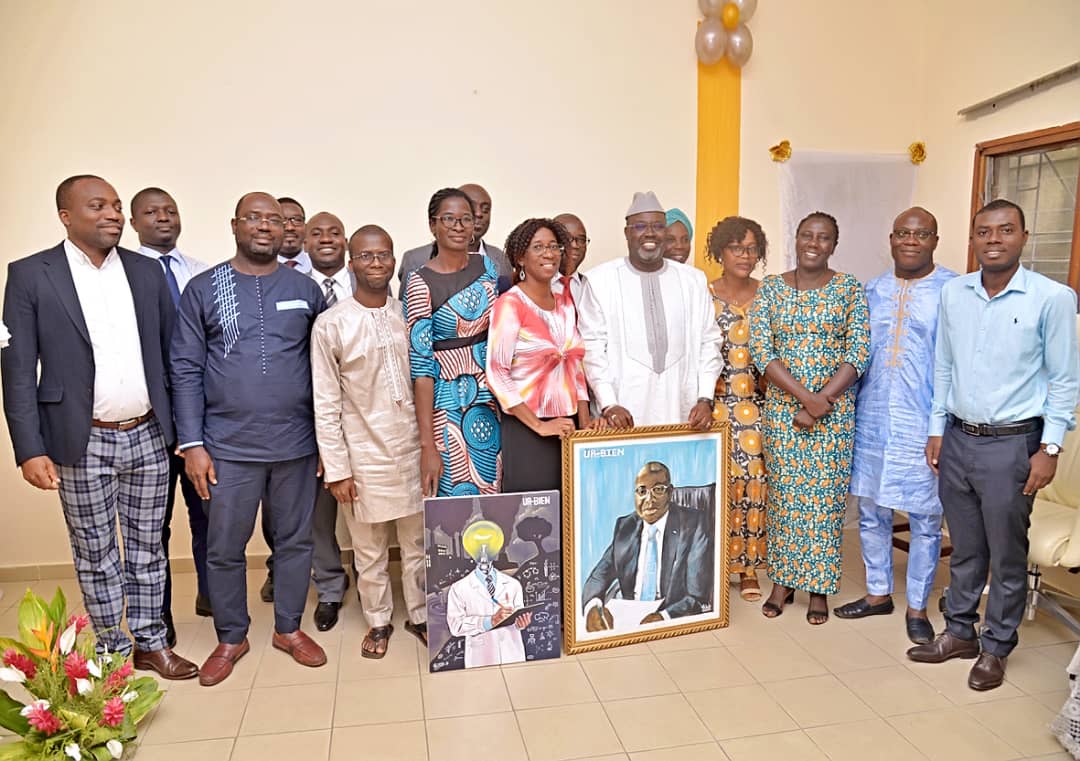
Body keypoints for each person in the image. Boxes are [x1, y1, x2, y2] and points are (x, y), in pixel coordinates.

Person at [1, 175, 198, 679]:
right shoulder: (30, 274)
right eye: (98, 206)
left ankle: (152, 643)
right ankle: (112, 649)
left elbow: (173, 354)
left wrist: (185, 430)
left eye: (115, 205)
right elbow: (18, 368)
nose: (112, 213)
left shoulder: (145, 271)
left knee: (148, 548)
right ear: (66, 216)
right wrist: (29, 448)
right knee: (95, 553)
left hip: (150, 434)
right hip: (77, 439)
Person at [909, 199, 1079, 691]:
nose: (994, 239)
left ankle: (997, 647)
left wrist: (1048, 449)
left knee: (1007, 554)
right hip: (958, 438)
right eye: (984, 232)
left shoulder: (1051, 297)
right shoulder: (955, 293)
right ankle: (959, 632)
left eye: (1006, 230)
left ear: (1023, 237)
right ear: (973, 239)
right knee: (964, 548)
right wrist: (937, 428)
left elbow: (1066, 380)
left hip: (1013, 445)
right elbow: (944, 365)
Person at [171, 192, 328, 686]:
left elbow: (326, 370)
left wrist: (328, 443)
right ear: (234, 224)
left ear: (288, 230)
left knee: (295, 541)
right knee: (223, 547)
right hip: (226, 448)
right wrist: (192, 443)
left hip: (297, 445)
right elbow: (185, 367)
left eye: (275, 220)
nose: (265, 227)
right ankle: (231, 636)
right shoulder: (202, 288)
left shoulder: (305, 289)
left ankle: (288, 629)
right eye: (254, 218)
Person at [835, 207, 957, 645]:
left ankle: (918, 606)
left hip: (926, 424)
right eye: (903, 233)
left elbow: (954, 365)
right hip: (871, 418)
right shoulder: (874, 290)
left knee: (926, 516)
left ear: (934, 240)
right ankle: (877, 593)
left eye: (921, 233)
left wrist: (941, 427)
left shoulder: (953, 290)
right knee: (871, 510)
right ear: (891, 239)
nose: (911, 240)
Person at [311, 224, 428, 658]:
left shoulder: (409, 316)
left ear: (394, 262)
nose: (376, 263)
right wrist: (337, 468)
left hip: (414, 451)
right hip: (361, 456)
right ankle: (378, 621)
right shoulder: (331, 325)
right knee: (369, 549)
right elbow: (325, 402)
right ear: (351, 263)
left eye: (384, 255)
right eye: (366, 256)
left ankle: (418, 614)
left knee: (416, 546)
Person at [750, 211, 870, 625]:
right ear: (796, 239)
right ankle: (782, 583)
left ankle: (818, 587)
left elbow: (858, 352)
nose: (813, 243)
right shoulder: (770, 290)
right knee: (786, 500)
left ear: (834, 245)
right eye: (806, 235)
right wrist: (805, 398)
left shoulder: (850, 289)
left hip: (834, 416)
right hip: (784, 414)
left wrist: (823, 400)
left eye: (823, 237)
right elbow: (763, 352)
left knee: (825, 503)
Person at [130, 186, 213, 644]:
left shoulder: (201, 272)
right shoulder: (127, 274)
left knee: (207, 512)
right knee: (153, 524)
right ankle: (157, 617)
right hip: (152, 419)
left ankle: (210, 594)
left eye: (170, 211)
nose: (163, 218)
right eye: (151, 212)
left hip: (202, 416)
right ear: (133, 221)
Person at [578, 191, 722, 430]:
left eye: (658, 226)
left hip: (682, 409)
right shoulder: (600, 280)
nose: (650, 233)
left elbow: (710, 342)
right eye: (640, 226)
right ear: (627, 233)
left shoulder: (692, 281)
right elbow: (591, 349)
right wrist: (608, 404)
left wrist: (705, 398)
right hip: (622, 412)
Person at [404, 187, 501, 497]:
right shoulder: (419, 282)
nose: (459, 227)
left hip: (490, 398)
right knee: (454, 498)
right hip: (447, 404)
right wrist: (427, 445)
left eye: (466, 219)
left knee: (494, 493)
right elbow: (421, 366)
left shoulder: (487, 268)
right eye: (449, 219)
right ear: (433, 225)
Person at [486, 218, 594, 493]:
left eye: (553, 246)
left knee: (570, 517)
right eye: (538, 247)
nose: (549, 253)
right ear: (520, 258)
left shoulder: (565, 303)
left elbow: (575, 369)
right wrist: (539, 426)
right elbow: (497, 373)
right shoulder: (510, 304)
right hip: (527, 428)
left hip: (568, 427)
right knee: (535, 522)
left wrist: (584, 424)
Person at [705, 216, 769, 603]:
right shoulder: (703, 293)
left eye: (751, 248)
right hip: (711, 404)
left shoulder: (768, 294)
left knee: (755, 481)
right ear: (720, 252)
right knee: (716, 485)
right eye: (736, 248)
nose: (745, 256)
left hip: (757, 405)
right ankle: (712, 566)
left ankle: (747, 566)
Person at [583, 461, 713, 630]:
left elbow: (697, 595)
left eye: (658, 490)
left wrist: (664, 617)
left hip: (670, 616)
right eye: (642, 491)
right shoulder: (626, 527)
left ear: (670, 492)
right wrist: (593, 606)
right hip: (628, 617)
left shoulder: (694, 524)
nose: (649, 499)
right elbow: (598, 576)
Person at [302, 212, 353, 632]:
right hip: (315, 415)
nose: (325, 239)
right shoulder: (295, 288)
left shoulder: (375, 284)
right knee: (320, 512)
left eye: (334, 232)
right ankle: (331, 588)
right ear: (302, 240)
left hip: (372, 423)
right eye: (316, 233)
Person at [258, 196, 309, 605]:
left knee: (303, 522)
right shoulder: (214, 284)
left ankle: (293, 621)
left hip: (302, 428)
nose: (285, 228)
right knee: (266, 518)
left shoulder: (307, 289)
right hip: (240, 435)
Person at [446, 520, 531, 667]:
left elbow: (518, 617)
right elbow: (456, 626)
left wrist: (522, 623)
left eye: (488, 548)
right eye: (479, 548)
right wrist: (489, 621)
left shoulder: (512, 584)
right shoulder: (459, 588)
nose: (483, 554)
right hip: (480, 656)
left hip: (512, 653)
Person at [397, 183, 510, 292]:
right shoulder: (415, 260)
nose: (479, 214)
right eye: (450, 218)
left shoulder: (501, 259)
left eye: (485, 209)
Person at [552, 213, 589, 304]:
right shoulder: (535, 286)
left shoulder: (591, 287)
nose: (575, 245)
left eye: (581, 240)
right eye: (567, 239)